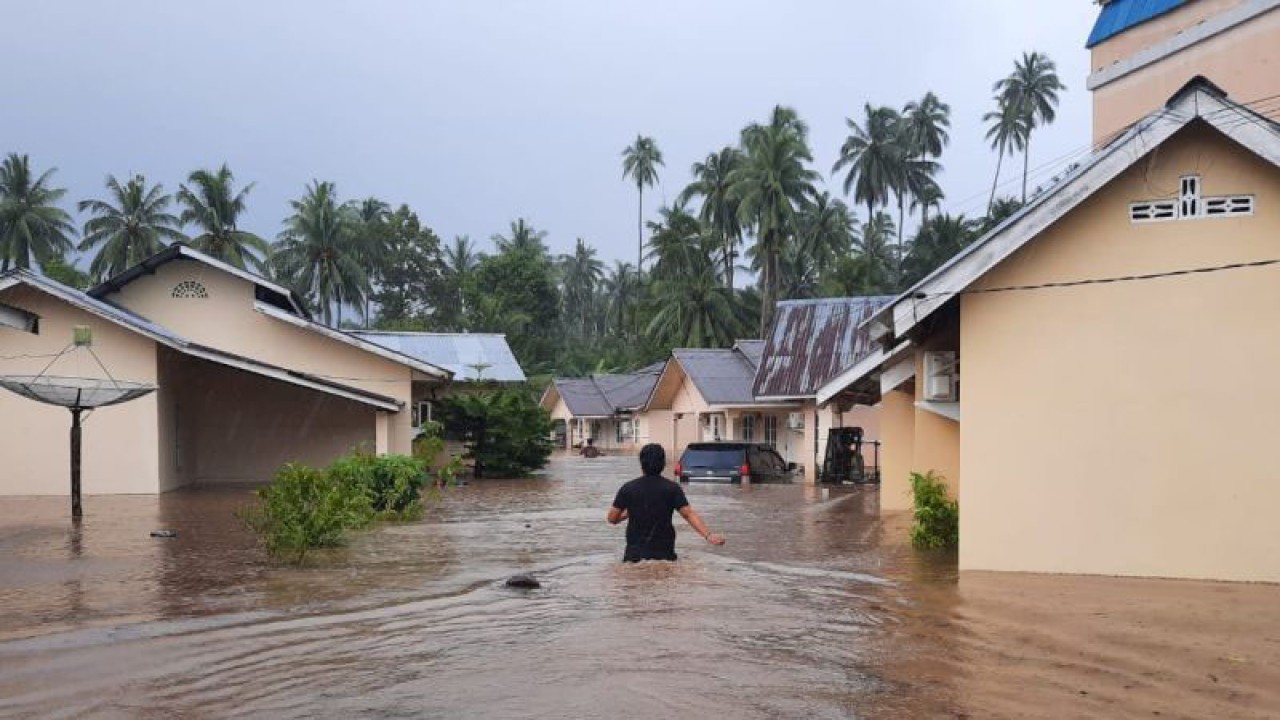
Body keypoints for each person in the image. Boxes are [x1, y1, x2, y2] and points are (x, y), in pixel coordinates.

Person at [607, 443, 725, 562]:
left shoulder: (628, 488)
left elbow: (612, 519)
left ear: (641, 463)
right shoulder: (672, 488)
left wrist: (628, 513)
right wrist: (708, 535)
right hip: (664, 552)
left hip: (634, 554)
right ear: (663, 464)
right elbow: (688, 514)